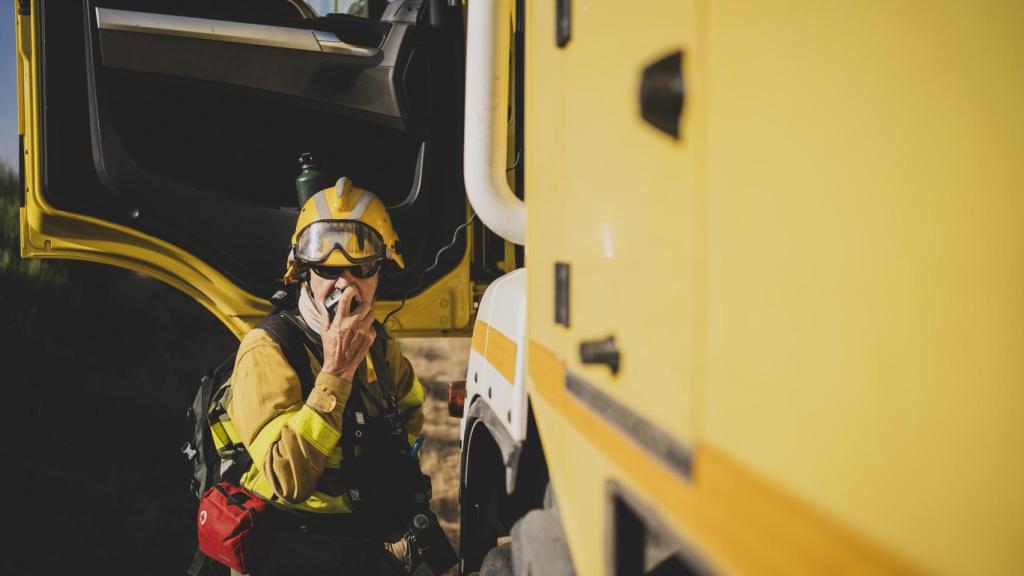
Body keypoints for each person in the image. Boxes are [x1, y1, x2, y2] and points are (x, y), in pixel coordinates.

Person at [226, 177, 433, 575]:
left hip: (361, 541)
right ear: (303, 272)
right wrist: (336, 372)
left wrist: (388, 482)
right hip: (288, 550)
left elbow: (410, 411)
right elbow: (287, 477)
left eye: (361, 268)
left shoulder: (377, 342)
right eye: (328, 269)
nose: (344, 283)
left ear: (381, 272)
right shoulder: (267, 350)